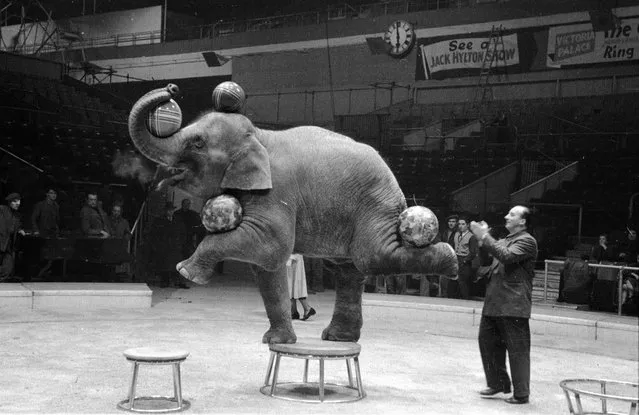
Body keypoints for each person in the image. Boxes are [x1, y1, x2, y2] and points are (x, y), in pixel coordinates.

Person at [470, 205, 538, 405]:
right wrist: (482, 239)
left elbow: (506, 257)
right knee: (488, 343)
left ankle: (521, 393)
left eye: (512, 214)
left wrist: (486, 236)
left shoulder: (527, 241)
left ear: (523, 222)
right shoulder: (503, 241)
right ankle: (498, 383)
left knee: (517, 351)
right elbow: (486, 260)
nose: (506, 216)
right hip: (494, 302)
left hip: (514, 304)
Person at [148, 202, 189, 289]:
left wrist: (180, 243)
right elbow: (154, 234)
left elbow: (183, 232)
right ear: (165, 211)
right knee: (164, 264)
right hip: (164, 246)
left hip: (175, 246)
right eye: (168, 210)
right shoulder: (159, 221)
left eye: (171, 210)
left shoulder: (178, 220)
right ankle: (164, 281)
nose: (170, 212)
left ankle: (177, 281)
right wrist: (158, 245)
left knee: (177, 264)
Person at [0, 193, 26, 281]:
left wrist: (19, 230)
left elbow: (16, 226)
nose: (17, 203)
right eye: (15, 202)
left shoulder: (17, 215)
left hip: (8, 244)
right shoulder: (2, 209)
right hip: (1, 240)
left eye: (19, 201)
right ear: (9, 202)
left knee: (8, 267)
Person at [453, 216, 478, 299]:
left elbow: (473, 252)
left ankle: (465, 300)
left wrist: (465, 261)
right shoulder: (456, 234)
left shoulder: (471, 236)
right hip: (456, 259)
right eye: (459, 224)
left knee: (463, 282)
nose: (460, 226)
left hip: (465, 261)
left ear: (467, 225)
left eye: (463, 224)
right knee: (455, 282)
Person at [287, 253, 316, 320]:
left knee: (295, 284)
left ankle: (307, 308)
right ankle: (294, 312)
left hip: (294, 257)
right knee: (291, 285)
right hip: (291, 257)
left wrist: (292, 257)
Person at [109, 204, 132, 279]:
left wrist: (124, 240)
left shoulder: (124, 222)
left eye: (118, 211)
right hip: (109, 243)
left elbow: (128, 233)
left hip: (119, 244)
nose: (116, 213)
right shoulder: (107, 220)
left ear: (120, 212)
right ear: (112, 211)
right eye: (115, 211)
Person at [439, 214, 458, 297]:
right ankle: (443, 295)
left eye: (453, 222)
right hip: (444, 257)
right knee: (443, 279)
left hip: (453, 257)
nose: (451, 223)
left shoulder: (457, 233)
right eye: (449, 221)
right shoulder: (445, 232)